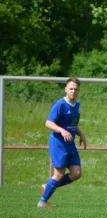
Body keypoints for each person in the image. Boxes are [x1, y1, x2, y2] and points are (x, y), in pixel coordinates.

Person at [37, 78, 87, 208]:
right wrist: (62, 131)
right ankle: (42, 202)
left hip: (70, 143)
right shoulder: (59, 105)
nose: (73, 91)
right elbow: (48, 123)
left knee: (76, 173)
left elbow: (72, 124)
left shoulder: (77, 105)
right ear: (66, 89)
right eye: (71, 88)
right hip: (58, 143)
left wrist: (80, 134)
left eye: (76, 89)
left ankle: (47, 186)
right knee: (58, 174)